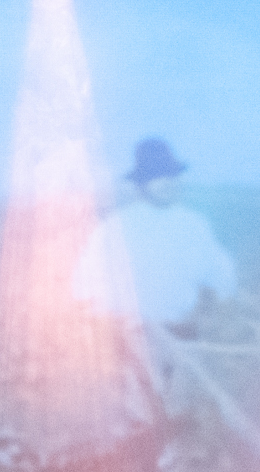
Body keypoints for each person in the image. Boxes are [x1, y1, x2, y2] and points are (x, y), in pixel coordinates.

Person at [71, 138, 239, 341]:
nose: (167, 182)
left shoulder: (194, 225)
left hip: (180, 337)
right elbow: (83, 285)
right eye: (156, 176)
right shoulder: (114, 228)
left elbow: (223, 279)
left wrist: (213, 315)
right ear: (142, 184)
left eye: (171, 174)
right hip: (126, 338)